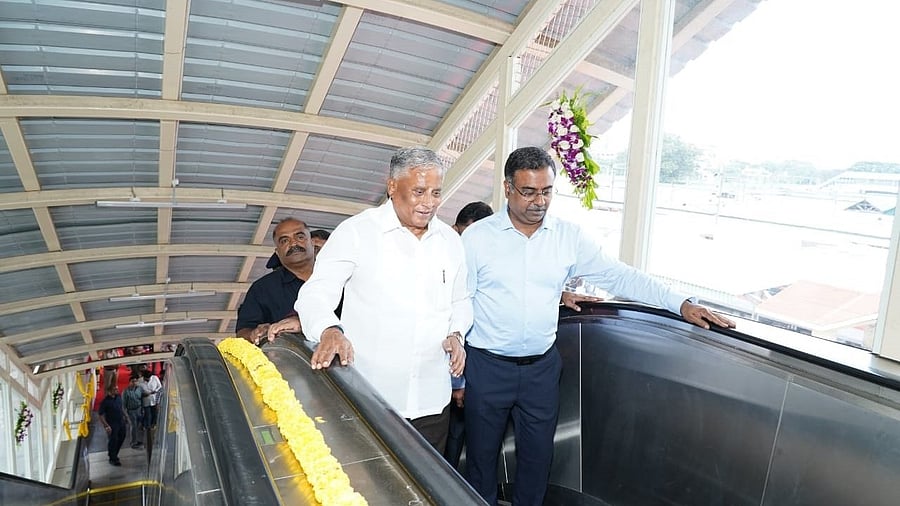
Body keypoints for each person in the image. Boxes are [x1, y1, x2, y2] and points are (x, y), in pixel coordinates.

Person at [461, 146, 736, 506]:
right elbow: (457, 301)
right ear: (508, 188)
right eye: (528, 192)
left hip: (541, 372)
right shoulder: (477, 238)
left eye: (546, 191)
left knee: (537, 459)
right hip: (486, 366)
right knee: (480, 461)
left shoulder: (568, 237)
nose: (538, 201)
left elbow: (619, 276)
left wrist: (680, 303)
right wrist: (456, 374)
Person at [285, 146, 472, 453]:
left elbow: (461, 300)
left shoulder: (450, 241)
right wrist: (330, 330)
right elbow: (314, 293)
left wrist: (456, 334)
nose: (429, 203)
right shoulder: (357, 232)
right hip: (371, 399)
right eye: (419, 191)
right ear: (392, 186)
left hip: (432, 401)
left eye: (436, 193)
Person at [444, 201, 493, 469]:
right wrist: (457, 383)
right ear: (456, 230)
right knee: (445, 446)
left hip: (482, 371)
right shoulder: (441, 261)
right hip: (447, 373)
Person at [236, 218, 316, 344]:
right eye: (284, 240)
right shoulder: (262, 289)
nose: (293, 243)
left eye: (300, 237)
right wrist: (255, 334)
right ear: (277, 253)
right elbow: (242, 333)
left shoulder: (339, 276)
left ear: (312, 243)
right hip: (289, 361)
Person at [98, 384, 128, 466]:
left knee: (122, 437)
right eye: (115, 389)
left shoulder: (118, 397)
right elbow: (100, 415)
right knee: (113, 440)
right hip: (112, 424)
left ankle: (114, 453)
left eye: (117, 389)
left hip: (120, 421)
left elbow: (121, 407)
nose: (117, 390)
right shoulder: (105, 402)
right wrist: (106, 426)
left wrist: (125, 416)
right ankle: (113, 458)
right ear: (110, 391)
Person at [122, 376, 144, 449]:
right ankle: (133, 443)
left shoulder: (139, 389)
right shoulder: (126, 392)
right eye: (132, 381)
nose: (134, 383)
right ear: (129, 382)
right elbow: (123, 405)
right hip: (131, 411)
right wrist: (126, 416)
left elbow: (142, 398)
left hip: (138, 409)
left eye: (135, 381)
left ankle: (136, 440)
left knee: (137, 426)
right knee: (133, 427)